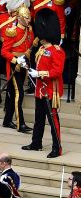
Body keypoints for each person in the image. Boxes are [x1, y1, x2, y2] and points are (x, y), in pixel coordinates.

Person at [22, 8, 65, 158]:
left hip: (51, 91)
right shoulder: (41, 48)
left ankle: (57, 148)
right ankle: (36, 143)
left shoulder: (57, 51)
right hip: (40, 90)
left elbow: (57, 72)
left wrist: (39, 74)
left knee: (53, 121)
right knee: (38, 119)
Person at [0, 6, 33, 133]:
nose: (28, 20)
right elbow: (4, 51)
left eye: (29, 17)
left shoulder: (29, 30)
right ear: (19, 18)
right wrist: (15, 60)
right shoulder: (12, 31)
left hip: (24, 63)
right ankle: (21, 123)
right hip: (14, 64)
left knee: (12, 94)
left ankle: (7, 120)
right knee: (19, 93)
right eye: (26, 17)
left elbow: (28, 46)